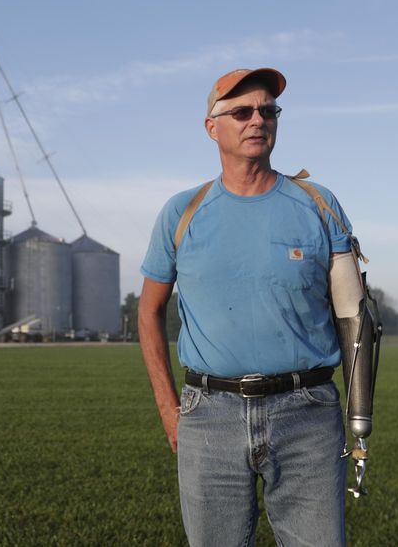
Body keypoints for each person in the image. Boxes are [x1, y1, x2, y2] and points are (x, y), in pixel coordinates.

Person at [138, 68, 364, 546]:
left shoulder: (318, 204)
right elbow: (149, 311)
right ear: (211, 126)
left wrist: (359, 413)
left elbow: (355, 317)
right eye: (241, 111)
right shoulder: (182, 213)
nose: (257, 120)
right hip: (209, 415)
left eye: (268, 110)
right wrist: (168, 408)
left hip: (308, 414)